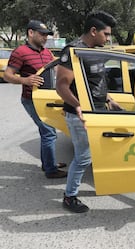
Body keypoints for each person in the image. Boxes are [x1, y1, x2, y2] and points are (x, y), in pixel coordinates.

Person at [56, 11, 121, 213]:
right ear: (94, 31)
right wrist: (79, 107)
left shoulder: (94, 51)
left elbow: (96, 82)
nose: (108, 38)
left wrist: (109, 99)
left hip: (98, 112)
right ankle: (69, 196)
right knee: (83, 157)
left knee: (100, 152)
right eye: (106, 34)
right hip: (81, 115)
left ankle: (102, 184)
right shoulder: (74, 51)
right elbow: (61, 86)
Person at [4, 20, 67, 179]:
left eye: (47, 35)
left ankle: (48, 163)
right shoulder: (20, 52)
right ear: (30, 33)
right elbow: (7, 75)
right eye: (42, 34)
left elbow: (55, 69)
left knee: (46, 131)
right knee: (49, 132)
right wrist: (25, 80)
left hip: (46, 99)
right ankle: (51, 170)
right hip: (31, 99)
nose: (45, 38)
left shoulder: (47, 52)